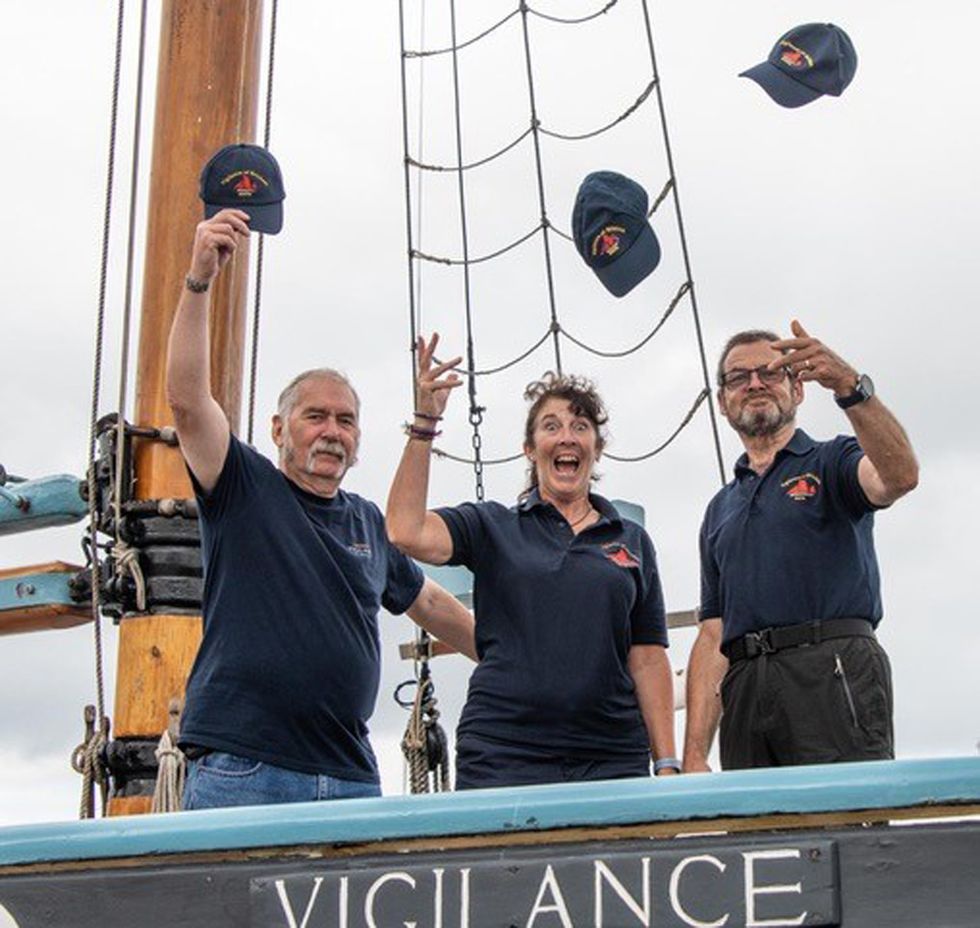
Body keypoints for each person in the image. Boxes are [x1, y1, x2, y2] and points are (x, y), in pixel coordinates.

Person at [166, 210, 476, 809]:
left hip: (350, 778)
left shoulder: (367, 522)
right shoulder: (242, 486)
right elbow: (185, 401)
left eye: (346, 420)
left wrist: (525, 660)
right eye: (316, 417)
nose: (332, 432)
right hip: (245, 773)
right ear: (279, 428)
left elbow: (433, 605)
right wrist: (199, 279)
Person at [386, 334, 678, 789]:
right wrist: (425, 422)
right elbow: (406, 531)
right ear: (530, 448)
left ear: (597, 448)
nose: (567, 436)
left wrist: (667, 763)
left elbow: (647, 656)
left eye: (581, 427)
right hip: (503, 753)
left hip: (611, 757)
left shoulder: (632, 540)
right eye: (551, 426)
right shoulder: (492, 527)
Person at [683, 321, 918, 772]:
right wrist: (694, 751)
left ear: (799, 388)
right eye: (738, 377)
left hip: (831, 670)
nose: (754, 383)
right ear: (722, 402)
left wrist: (851, 388)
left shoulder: (834, 460)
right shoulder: (719, 510)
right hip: (746, 686)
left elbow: (899, 476)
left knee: (847, 829)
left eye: (770, 372)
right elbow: (713, 634)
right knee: (756, 837)